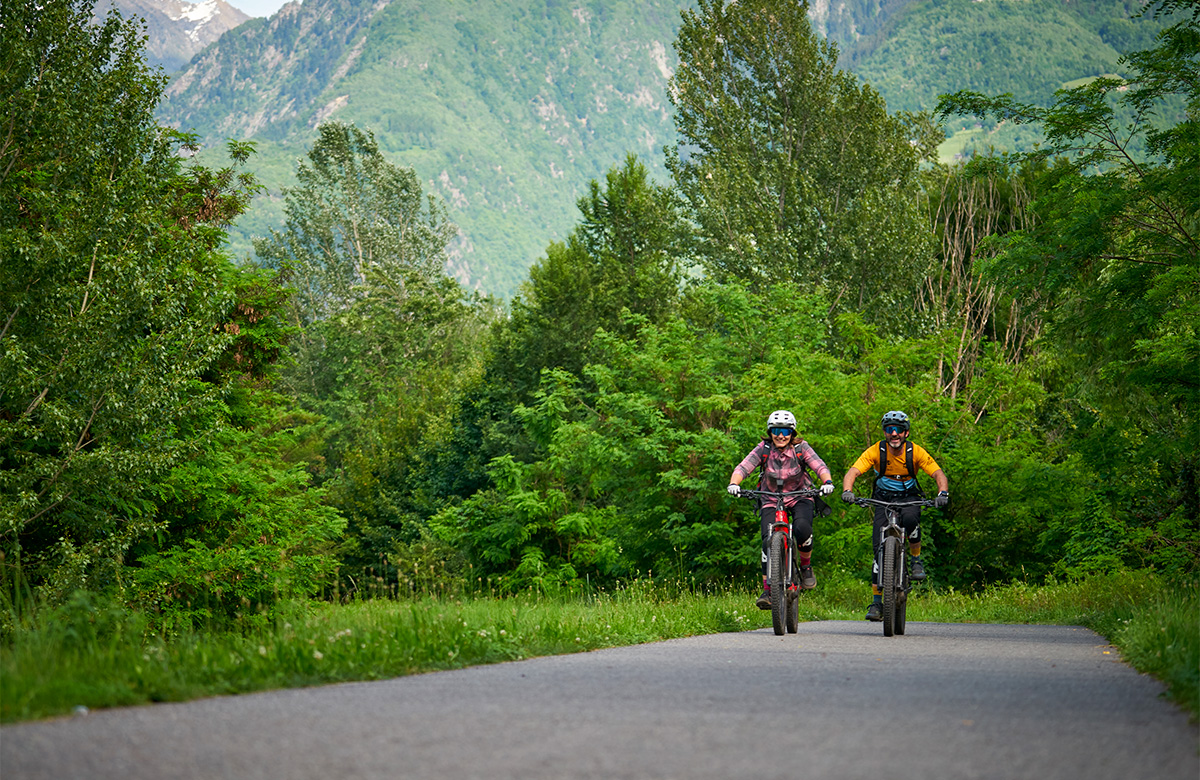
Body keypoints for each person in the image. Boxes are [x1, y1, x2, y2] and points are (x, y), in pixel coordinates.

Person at [841, 410, 949, 621]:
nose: (894, 434)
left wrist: (942, 493)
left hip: (909, 497)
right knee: (877, 548)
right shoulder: (876, 451)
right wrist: (847, 491)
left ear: (906, 432)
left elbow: (938, 473)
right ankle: (877, 603)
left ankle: (916, 561)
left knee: (911, 520)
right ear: (885, 432)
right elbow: (853, 471)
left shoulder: (915, 451)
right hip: (883, 500)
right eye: (890, 430)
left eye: (898, 430)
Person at [728, 410, 835, 609]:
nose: (781, 435)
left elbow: (819, 466)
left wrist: (826, 481)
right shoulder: (764, 449)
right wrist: (734, 484)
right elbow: (743, 467)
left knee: (803, 529)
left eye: (785, 431)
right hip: (770, 498)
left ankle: (806, 566)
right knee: (766, 540)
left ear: (792, 433)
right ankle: (768, 591)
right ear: (770, 432)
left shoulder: (801, 448)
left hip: (799, 496)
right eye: (776, 430)